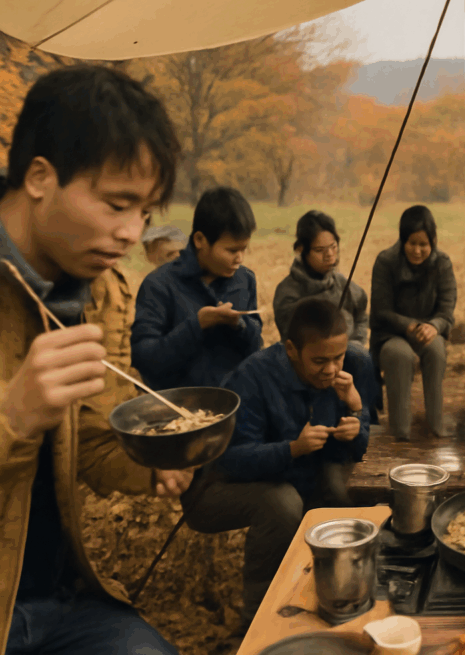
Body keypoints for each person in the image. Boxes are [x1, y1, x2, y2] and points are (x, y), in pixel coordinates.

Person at [0, 64, 192, 655]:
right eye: (116, 205)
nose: (133, 233)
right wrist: (12, 417)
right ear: (40, 177)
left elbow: (90, 440)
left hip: (56, 599)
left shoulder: (97, 291)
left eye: (146, 212)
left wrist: (156, 460)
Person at [180, 298, 371, 625]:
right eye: (319, 361)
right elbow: (229, 461)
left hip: (298, 474)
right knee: (282, 503)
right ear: (292, 349)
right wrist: (292, 449)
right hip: (218, 487)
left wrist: (356, 415)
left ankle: (335, 591)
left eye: (337, 358)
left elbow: (355, 449)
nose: (330, 369)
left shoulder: (343, 372)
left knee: (345, 493)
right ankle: (258, 616)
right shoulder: (252, 377)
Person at [131, 186, 262, 390]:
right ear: (200, 240)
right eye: (231, 250)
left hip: (235, 401)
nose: (239, 259)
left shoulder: (245, 280)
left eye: (244, 249)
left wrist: (240, 325)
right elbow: (146, 360)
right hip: (179, 405)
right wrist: (196, 325)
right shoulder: (159, 285)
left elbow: (255, 346)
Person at [273, 210, 377, 423]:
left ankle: (364, 420)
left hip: (346, 353)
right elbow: (290, 337)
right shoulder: (288, 291)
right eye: (320, 250)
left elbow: (361, 313)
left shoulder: (342, 283)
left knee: (359, 355)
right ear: (301, 250)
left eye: (333, 247)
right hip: (311, 358)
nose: (329, 255)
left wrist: (357, 340)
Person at [370, 205, 457, 440]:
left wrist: (435, 326)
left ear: (433, 242)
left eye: (423, 245)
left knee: (436, 350)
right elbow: (381, 310)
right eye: (412, 243)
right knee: (400, 356)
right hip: (390, 333)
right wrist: (409, 325)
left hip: (429, 330)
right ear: (402, 240)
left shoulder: (442, 263)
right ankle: (401, 431)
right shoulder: (385, 261)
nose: (417, 251)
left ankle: (436, 424)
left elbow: (447, 311)